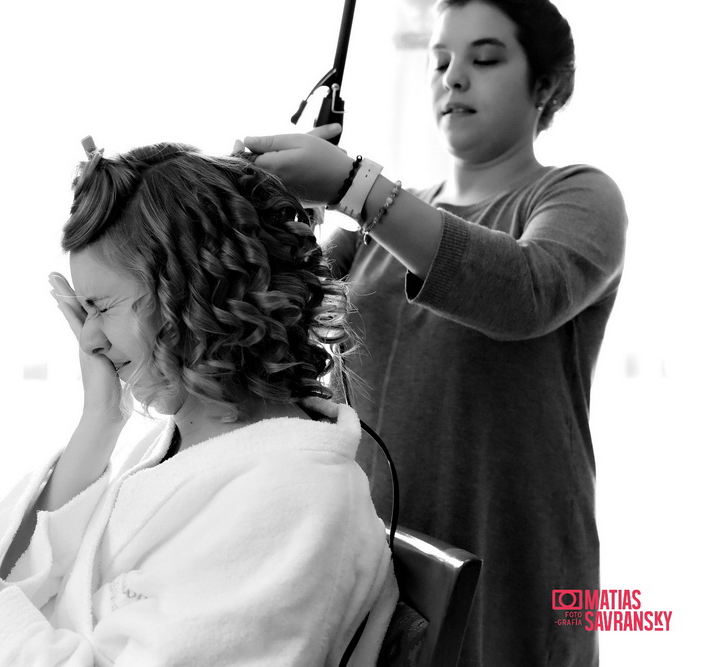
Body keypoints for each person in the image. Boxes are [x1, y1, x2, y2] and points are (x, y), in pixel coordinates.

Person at [0, 141, 398, 665]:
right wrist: (101, 417)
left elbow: (26, 604)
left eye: (102, 306)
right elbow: (48, 581)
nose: (88, 338)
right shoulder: (188, 443)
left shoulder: (292, 498)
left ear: (196, 294)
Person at [240, 0, 626, 665]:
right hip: (379, 561)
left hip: (517, 560)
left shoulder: (578, 197)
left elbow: (524, 292)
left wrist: (357, 188)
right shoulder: (376, 231)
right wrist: (278, 206)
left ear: (547, 86)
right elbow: (267, 324)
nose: (454, 78)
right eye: (440, 61)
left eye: (485, 58)